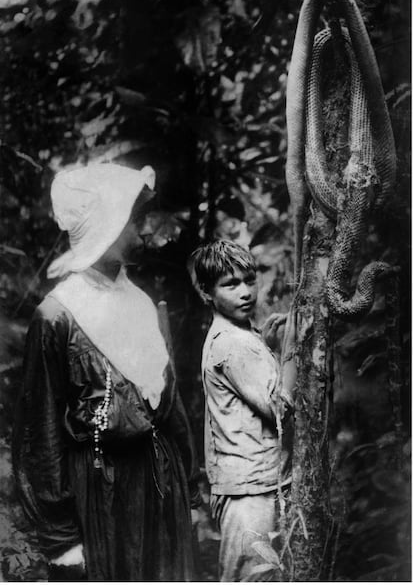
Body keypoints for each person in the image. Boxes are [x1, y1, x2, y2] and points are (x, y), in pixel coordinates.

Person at [12, 163, 201, 581]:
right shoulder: (57, 316)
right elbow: (40, 434)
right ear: (107, 225)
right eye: (134, 221)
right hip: (100, 492)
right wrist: (61, 538)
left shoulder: (141, 303)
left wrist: (190, 491)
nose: (144, 232)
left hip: (158, 485)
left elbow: (171, 410)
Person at [191, 239, 296, 582]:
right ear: (207, 292)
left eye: (249, 280)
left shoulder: (239, 334)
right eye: (230, 284)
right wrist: (294, 343)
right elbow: (282, 409)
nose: (245, 292)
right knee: (253, 578)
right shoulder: (233, 344)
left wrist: (266, 345)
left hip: (251, 484)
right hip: (249, 492)